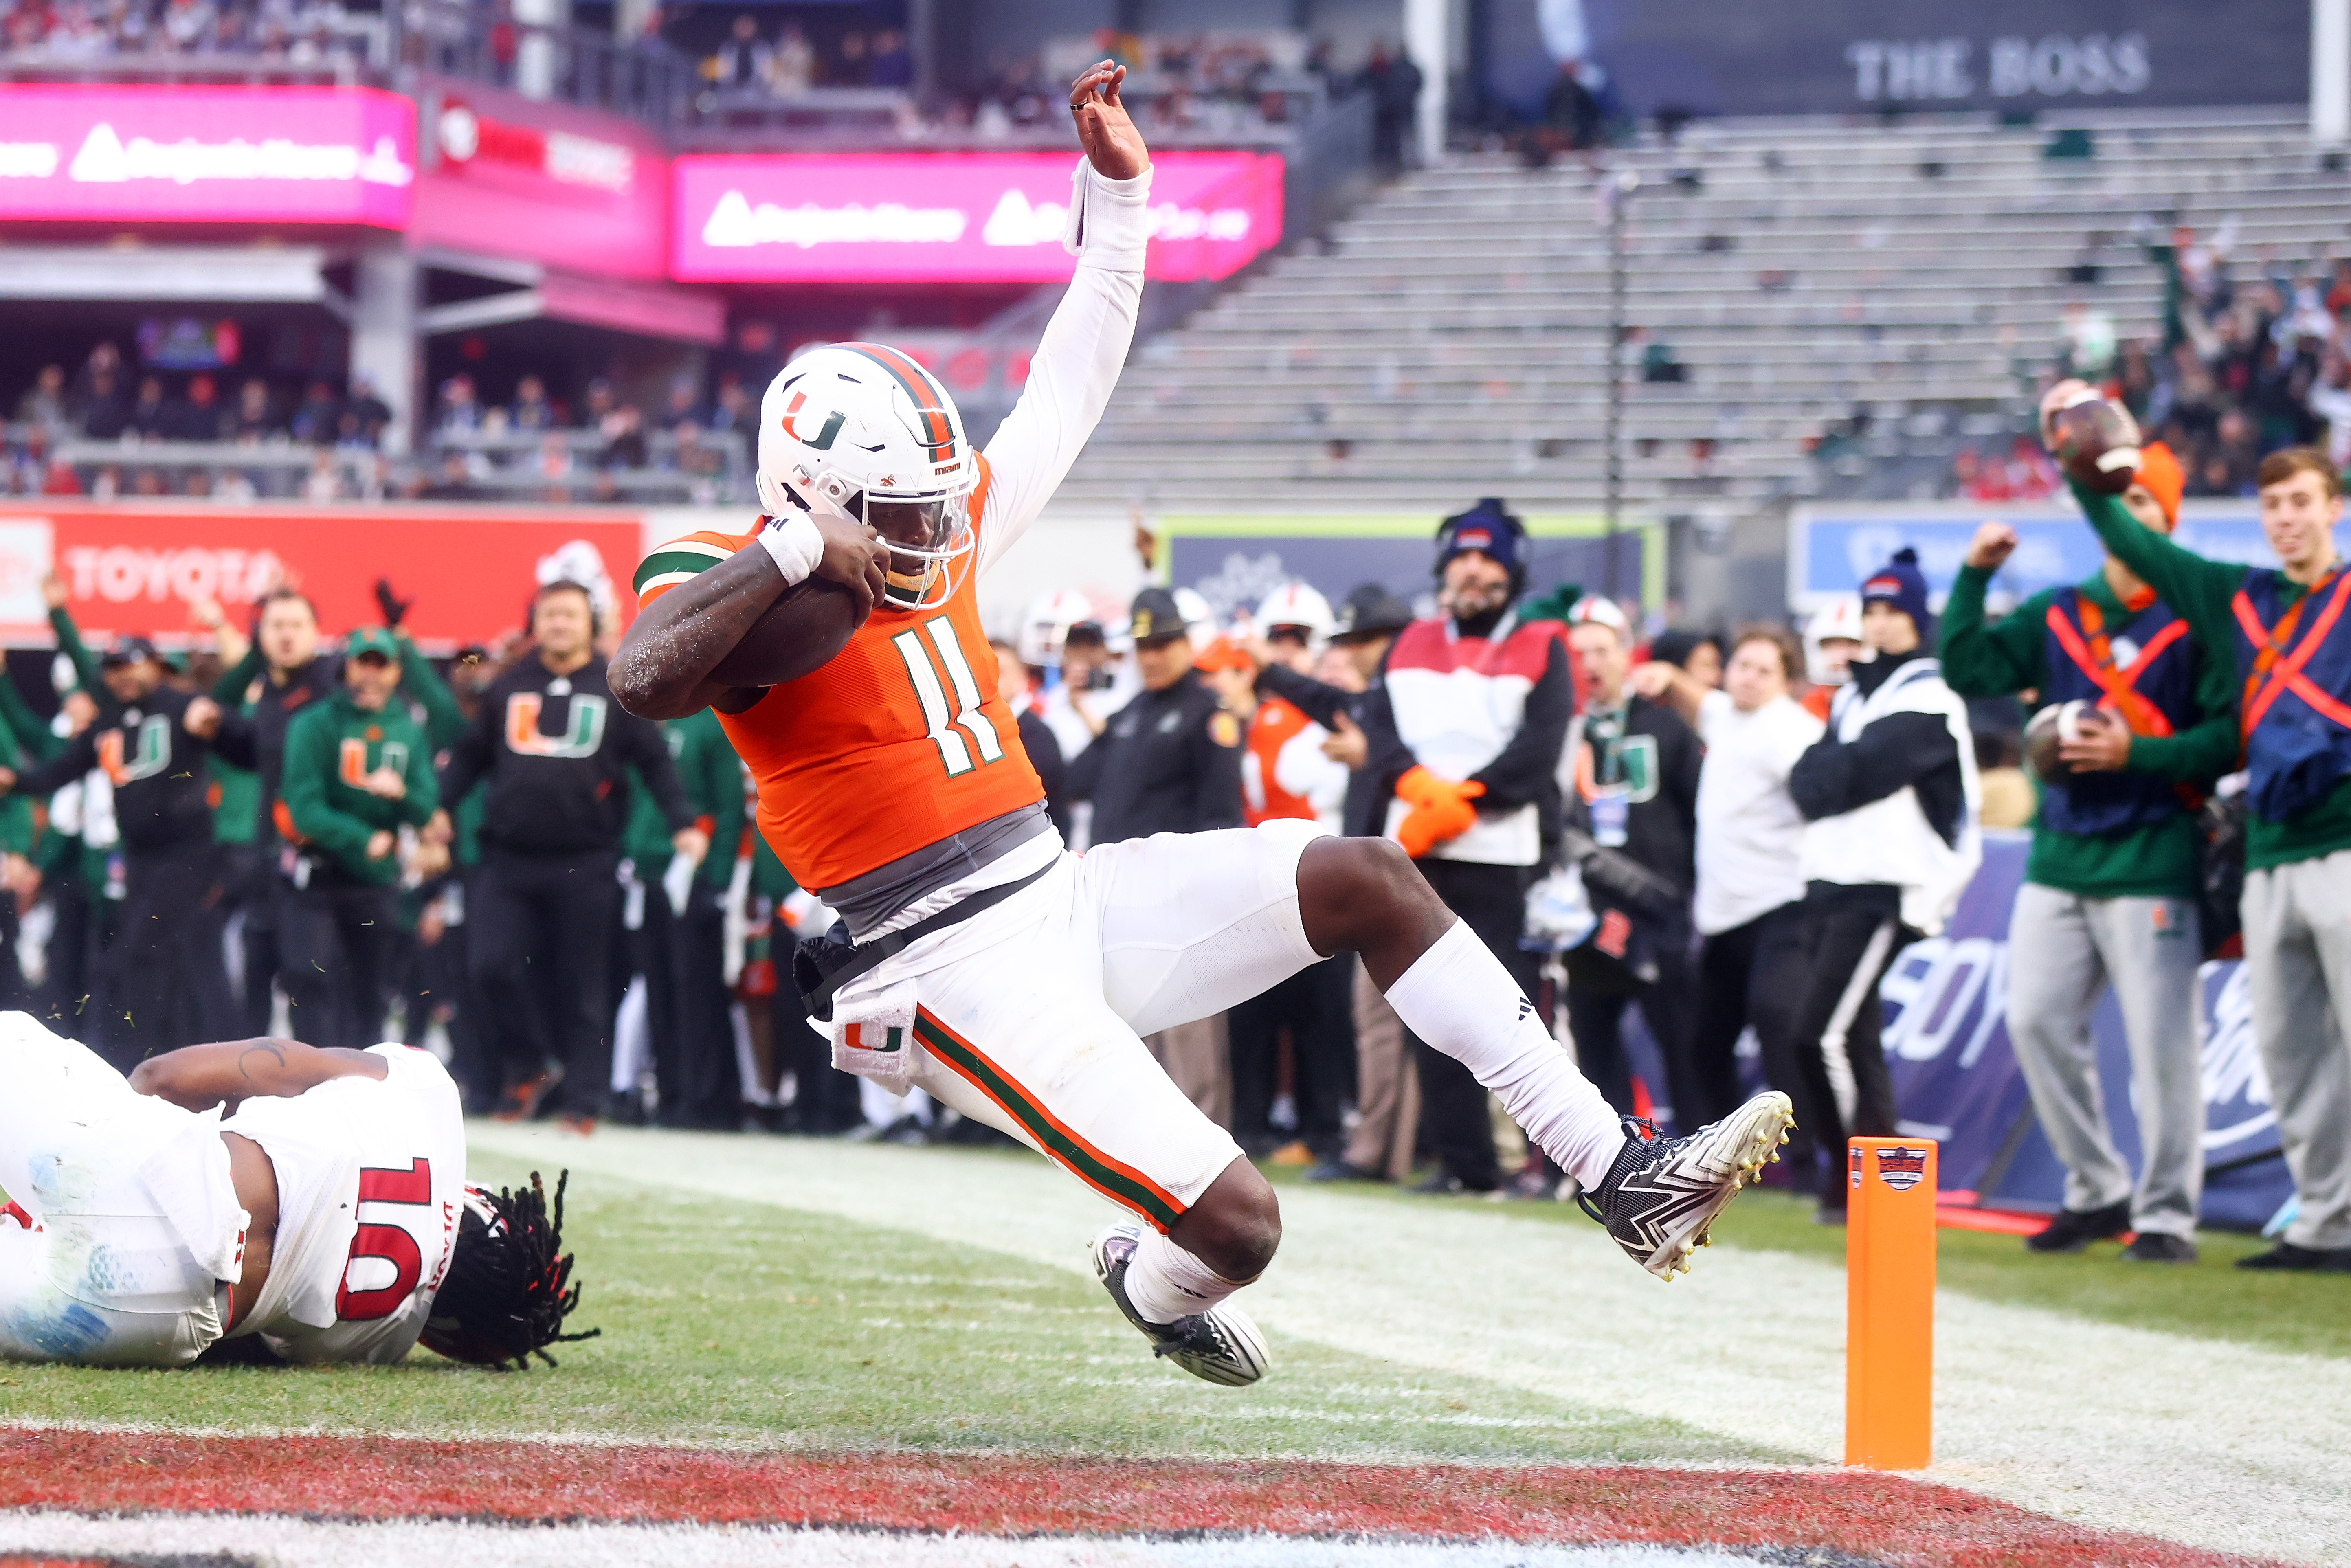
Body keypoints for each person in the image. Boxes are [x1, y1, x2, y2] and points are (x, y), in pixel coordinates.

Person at [610, 62, 1791, 1388]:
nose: (934, 536)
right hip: (938, 964)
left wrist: (1118, 196)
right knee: (1239, 1228)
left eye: (939, 509)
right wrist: (784, 555)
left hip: (1056, 894)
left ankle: (1615, 1171)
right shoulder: (733, 582)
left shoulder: (929, 537)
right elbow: (644, 677)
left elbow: (1075, 369)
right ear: (802, 502)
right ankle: (1146, 1279)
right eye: (894, 518)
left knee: (1364, 878)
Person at [2047, 383, 2351, 1271]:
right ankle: (2325, 1223)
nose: (2287, 519)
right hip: (2268, 850)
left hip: (2345, 845)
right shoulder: (2238, 598)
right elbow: (2133, 538)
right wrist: (2082, 466)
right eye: (2273, 505)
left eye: (2302, 502)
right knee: (2291, 1053)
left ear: (2335, 508)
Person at [1942, 440, 2232, 1262]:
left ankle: (2170, 1211)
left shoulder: (2195, 618)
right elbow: (1967, 664)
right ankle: (2096, 1189)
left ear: (2166, 522)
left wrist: (2133, 754)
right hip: (2059, 853)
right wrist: (1974, 575)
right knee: (2034, 1018)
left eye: (2146, 504)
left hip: (2154, 857)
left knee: (2162, 1045)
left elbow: (2224, 739)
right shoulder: (2059, 610)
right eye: (2123, 502)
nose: (2130, 518)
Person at [0, 1013, 589, 1369]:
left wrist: (96, 1145)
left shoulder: (425, 1096)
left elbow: (165, 1079)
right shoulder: (380, 1344)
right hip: (156, 1313)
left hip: (167, 1173)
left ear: (489, 1208)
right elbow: (237, 1348)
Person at [1359, 498, 1575, 1195]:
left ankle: (1538, 1162)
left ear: (1512, 572)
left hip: (1501, 855)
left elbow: (1539, 749)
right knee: (1431, 1011)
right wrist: (1422, 788)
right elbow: (1381, 734)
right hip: (1417, 854)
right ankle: (1463, 1164)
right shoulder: (1407, 642)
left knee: (1506, 1018)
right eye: (1463, 558)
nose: (1474, 572)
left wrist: (1466, 800)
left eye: (1488, 560)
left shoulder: (1542, 643)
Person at [432, 581, 704, 1133]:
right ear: (537, 622)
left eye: (570, 616)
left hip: (587, 858)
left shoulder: (617, 687)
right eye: (550, 615)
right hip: (508, 857)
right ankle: (528, 1067)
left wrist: (683, 823)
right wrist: (438, 809)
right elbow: (468, 758)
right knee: (491, 965)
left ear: (590, 622)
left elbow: (654, 761)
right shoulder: (508, 687)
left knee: (584, 983)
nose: (559, 624)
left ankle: (584, 1098)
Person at [1786, 549, 1982, 1222]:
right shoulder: (1852, 696)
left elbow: (1846, 775)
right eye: (1870, 608)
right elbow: (1809, 785)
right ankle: (1880, 1176)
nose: (1878, 621)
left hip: (1883, 885)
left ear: (1916, 619)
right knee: (1856, 1036)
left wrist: (1830, 771)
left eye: (1893, 609)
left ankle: (1847, 1180)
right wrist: (1830, 772)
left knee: (1817, 1035)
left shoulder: (1928, 696)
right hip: (1828, 878)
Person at [0, 637, 258, 1065]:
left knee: (141, 955)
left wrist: (220, 723)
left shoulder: (183, 707)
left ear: (155, 665)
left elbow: (247, 750)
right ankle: (175, 1058)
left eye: (131, 663)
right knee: (161, 959)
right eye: (114, 665)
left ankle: (137, 1062)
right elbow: (60, 771)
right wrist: (17, 782)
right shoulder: (111, 721)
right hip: (139, 860)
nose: (122, 673)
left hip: (187, 855)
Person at [1633, 626, 1822, 1168]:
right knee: (1704, 1041)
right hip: (1722, 915)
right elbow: (1703, 701)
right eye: (1743, 665)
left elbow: (1824, 795)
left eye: (1765, 670)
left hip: (1783, 903)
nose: (1750, 677)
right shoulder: (1725, 715)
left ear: (1789, 681)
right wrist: (1669, 675)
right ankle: (1724, 1161)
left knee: (1776, 1020)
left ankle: (1804, 1157)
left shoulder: (1793, 730)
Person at [1250, 583, 1419, 1186]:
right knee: (1378, 1020)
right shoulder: (1374, 698)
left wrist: (1371, 753)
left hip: (1420, 871)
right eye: (1352, 642)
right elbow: (1318, 696)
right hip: (1379, 873)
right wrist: (1265, 667)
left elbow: (1431, 765)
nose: (1360, 653)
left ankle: (1436, 1152)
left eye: (1366, 640)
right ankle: (1384, 1150)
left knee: (1405, 1023)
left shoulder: (1412, 699)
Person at [1065, 586, 1246, 1124]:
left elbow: (1222, 816)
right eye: (1143, 646)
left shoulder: (1208, 714)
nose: (1152, 656)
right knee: (1134, 1034)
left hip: (1178, 900)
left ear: (1187, 644)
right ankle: (1149, 1147)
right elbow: (1077, 781)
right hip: (1118, 902)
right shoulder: (1130, 713)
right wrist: (1083, 709)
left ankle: (1207, 1147)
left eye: (1163, 643)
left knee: (1188, 1035)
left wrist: (1207, 898)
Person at [1560, 598, 1711, 1129]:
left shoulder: (1665, 726)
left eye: (1602, 650)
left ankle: (1703, 1154)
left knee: (1682, 1042)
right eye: (1579, 654)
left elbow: (1701, 812)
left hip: (1660, 908)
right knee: (1595, 1045)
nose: (1590, 664)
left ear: (1628, 653)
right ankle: (1619, 1157)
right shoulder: (1563, 730)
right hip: (1588, 913)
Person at [1218, 584, 1355, 1162]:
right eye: (1279, 638)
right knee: (1252, 1014)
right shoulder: (1254, 713)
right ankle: (1251, 1127)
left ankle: (1322, 1129)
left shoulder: (1336, 708)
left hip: (1318, 877)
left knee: (1320, 1018)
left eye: (1298, 640)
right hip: (1255, 877)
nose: (1288, 650)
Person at [275, 628, 440, 1050]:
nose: (369, 674)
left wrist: (401, 793)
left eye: (379, 663)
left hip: (375, 882)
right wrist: (360, 836)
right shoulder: (314, 723)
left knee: (370, 990)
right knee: (310, 975)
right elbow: (303, 807)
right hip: (319, 874)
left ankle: (359, 1082)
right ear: (344, 667)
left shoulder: (408, 730)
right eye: (361, 663)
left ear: (396, 671)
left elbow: (426, 807)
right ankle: (313, 1077)